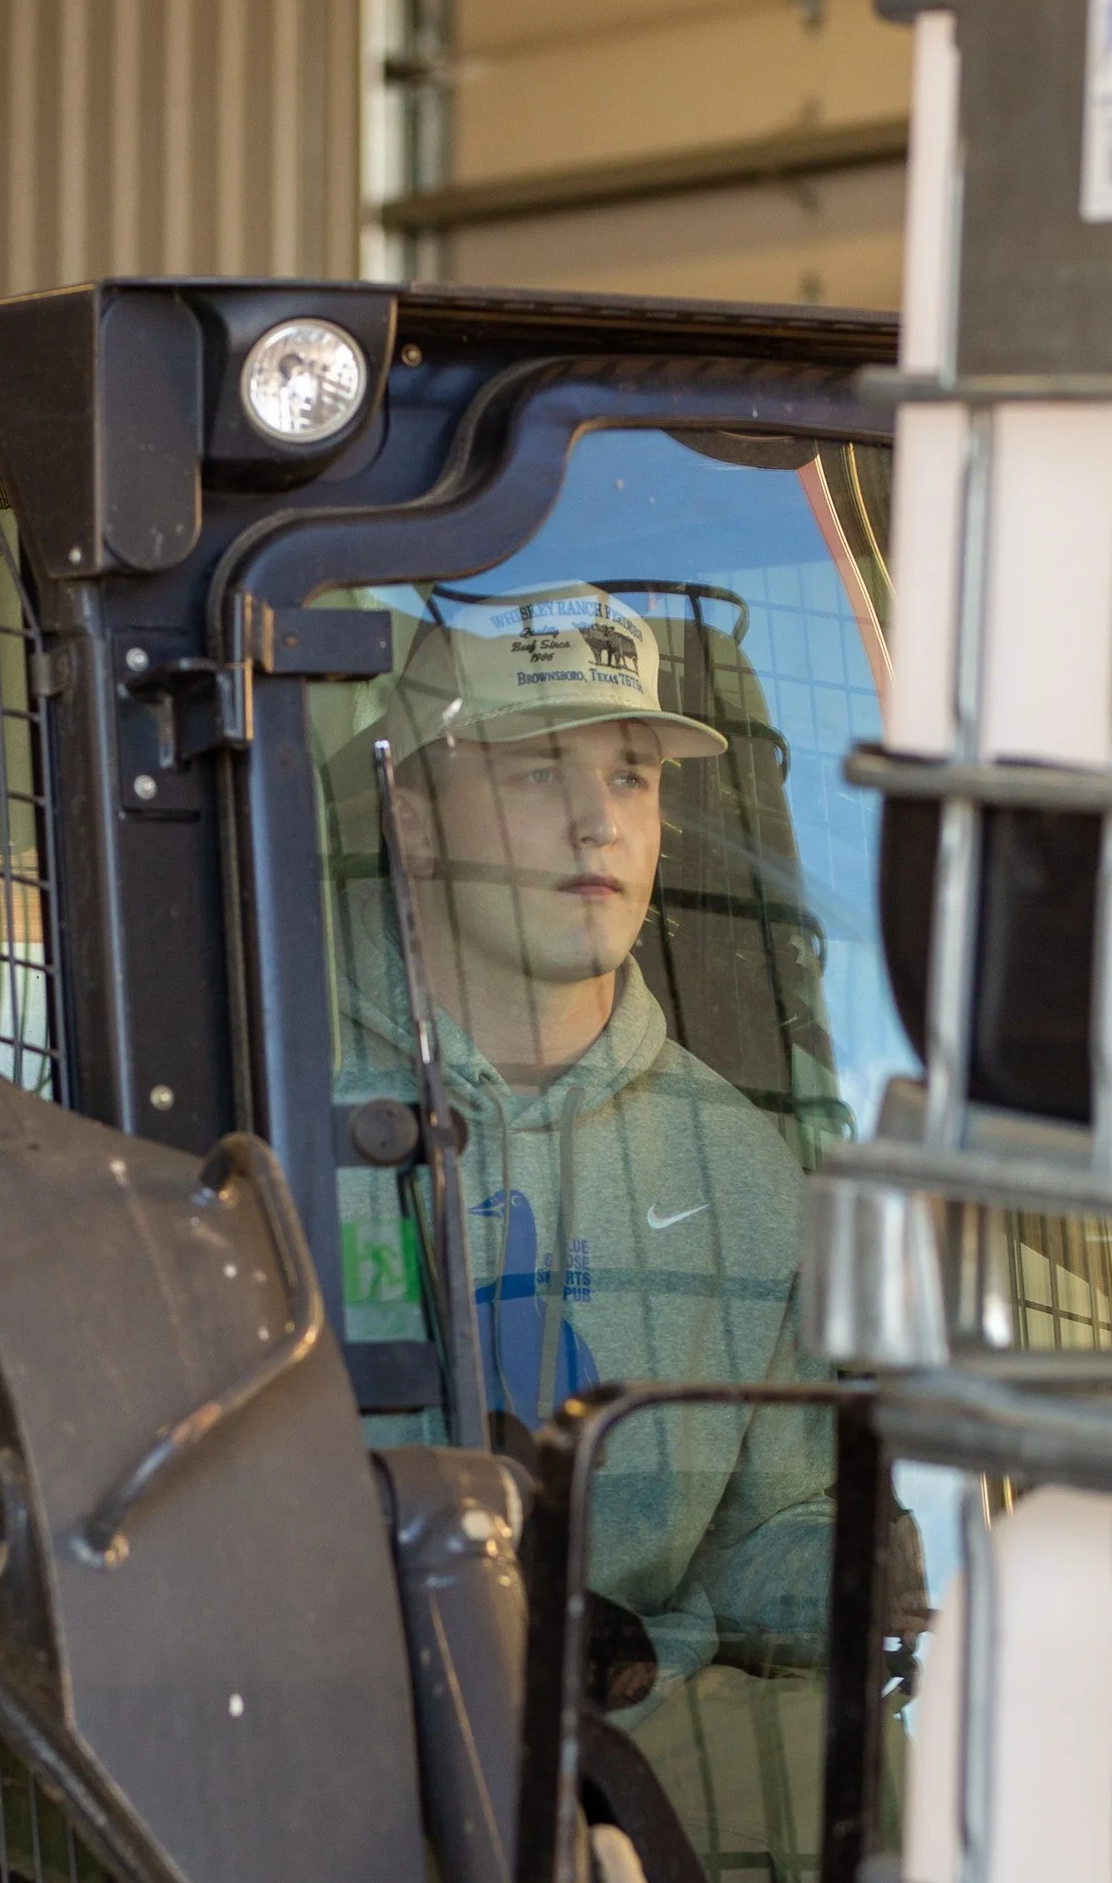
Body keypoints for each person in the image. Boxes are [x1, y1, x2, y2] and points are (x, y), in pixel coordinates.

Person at [334, 590, 833, 1701]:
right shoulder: (262, 1086)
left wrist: (862, 1573)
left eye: (629, 777)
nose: (595, 822)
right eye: (533, 770)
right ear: (411, 821)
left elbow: (774, 1540)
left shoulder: (740, 1167)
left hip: (645, 1802)